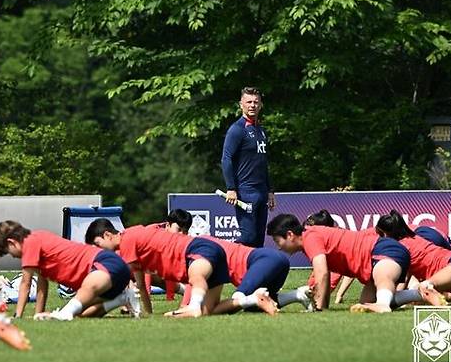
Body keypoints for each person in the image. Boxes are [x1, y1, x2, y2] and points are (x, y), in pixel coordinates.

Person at [266, 213, 444, 313]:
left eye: (277, 241)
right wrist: (322, 307)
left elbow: (322, 274)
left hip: (383, 251)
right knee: (366, 303)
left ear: (290, 235)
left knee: (382, 298)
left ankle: (383, 305)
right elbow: (323, 278)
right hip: (381, 256)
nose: (278, 247)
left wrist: (319, 309)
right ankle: (419, 294)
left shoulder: (310, 237)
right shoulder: (311, 237)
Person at [0, 220, 139, 321]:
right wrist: (38, 314)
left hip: (105, 263)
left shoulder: (30, 241)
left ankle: (65, 313)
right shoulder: (38, 246)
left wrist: (18, 316)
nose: (12, 256)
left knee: (80, 297)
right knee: (82, 313)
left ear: (12, 242)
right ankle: (122, 298)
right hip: (113, 279)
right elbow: (42, 286)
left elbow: (26, 283)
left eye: (9, 251)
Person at [85, 218, 230, 318]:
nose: (100, 250)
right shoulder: (131, 242)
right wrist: (149, 315)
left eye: (98, 244)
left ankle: (193, 306)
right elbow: (141, 286)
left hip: (196, 249)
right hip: (209, 250)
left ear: (108, 235)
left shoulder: (127, 242)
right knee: (208, 311)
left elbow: (119, 281)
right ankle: (248, 300)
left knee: (196, 277)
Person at [204, 236, 313, 315]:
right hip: (274, 261)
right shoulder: (203, 243)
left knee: (237, 300)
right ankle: (297, 295)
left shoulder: (199, 247)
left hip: (264, 260)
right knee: (255, 305)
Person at [221, 86, 275, 247]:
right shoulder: (237, 129)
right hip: (246, 192)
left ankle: (256, 272)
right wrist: (231, 187)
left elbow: (263, 162)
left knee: (259, 240)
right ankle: (227, 262)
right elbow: (226, 158)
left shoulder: (261, 130)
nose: (252, 105)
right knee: (248, 237)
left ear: (261, 105)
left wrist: (270, 190)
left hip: (261, 192)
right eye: (249, 102)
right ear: (241, 104)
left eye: (255, 102)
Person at [376, 210, 451, 304]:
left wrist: (388, 298)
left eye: (378, 233)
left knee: (426, 287)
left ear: (384, 233)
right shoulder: (413, 238)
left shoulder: (397, 249)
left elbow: (403, 281)